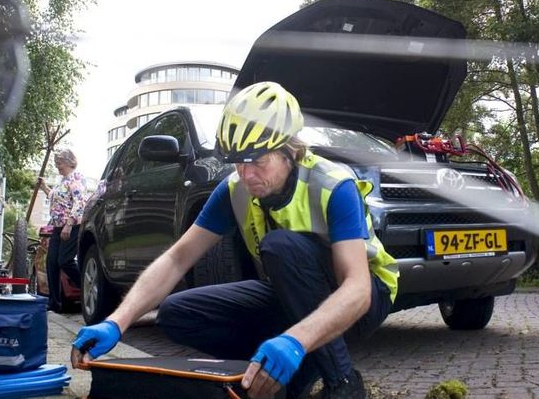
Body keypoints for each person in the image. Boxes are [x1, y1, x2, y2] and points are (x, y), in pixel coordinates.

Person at [71, 82, 398, 399]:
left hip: (365, 295)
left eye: (258, 161)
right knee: (175, 313)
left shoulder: (332, 186)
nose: (247, 174)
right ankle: (262, 371)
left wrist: (295, 341)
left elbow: (357, 290)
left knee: (280, 248)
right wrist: (116, 322)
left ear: (288, 151)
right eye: (239, 162)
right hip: (293, 293)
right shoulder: (234, 189)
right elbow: (176, 259)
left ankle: (343, 381)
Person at [38, 148, 86, 313]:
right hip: (57, 228)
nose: (57, 166)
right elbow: (56, 198)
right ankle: (54, 303)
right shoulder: (62, 181)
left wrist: (69, 224)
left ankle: (86, 287)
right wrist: (44, 187)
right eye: (56, 163)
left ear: (68, 162)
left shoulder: (76, 178)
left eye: (59, 163)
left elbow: (80, 203)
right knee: (51, 263)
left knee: (64, 261)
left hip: (71, 227)